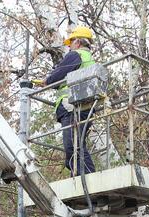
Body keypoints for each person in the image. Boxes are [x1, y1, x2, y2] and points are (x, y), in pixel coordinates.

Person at [38, 26, 96, 176]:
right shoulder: (88, 58)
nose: (69, 46)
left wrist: (48, 80)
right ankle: (79, 177)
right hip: (84, 106)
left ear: (77, 42)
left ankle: (88, 178)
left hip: (72, 107)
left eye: (70, 43)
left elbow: (58, 75)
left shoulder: (76, 55)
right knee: (77, 144)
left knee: (72, 146)